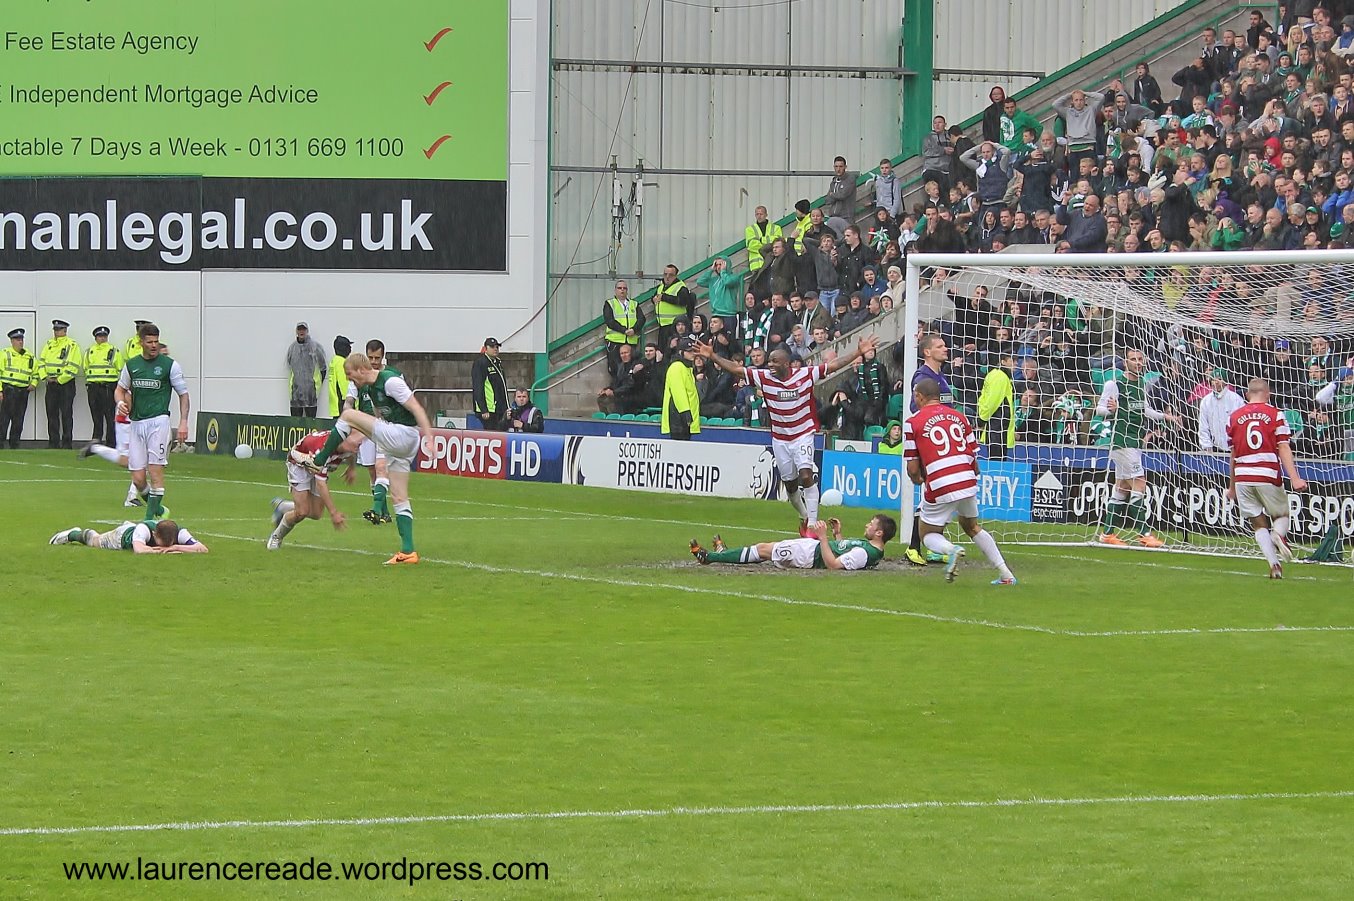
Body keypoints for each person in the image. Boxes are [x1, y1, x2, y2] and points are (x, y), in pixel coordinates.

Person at [697, 334, 880, 536]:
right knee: (791, 486)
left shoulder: (805, 374)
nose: (770, 365)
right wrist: (713, 356)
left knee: (806, 475)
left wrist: (857, 352)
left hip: (803, 434)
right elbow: (737, 370)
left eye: (774, 361)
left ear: (786, 363)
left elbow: (833, 366)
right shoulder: (764, 377)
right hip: (780, 439)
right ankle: (804, 516)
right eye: (769, 362)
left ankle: (812, 525)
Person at [304, 352, 435, 565]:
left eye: (350, 374)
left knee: (347, 416)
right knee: (399, 496)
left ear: (361, 370)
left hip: (404, 434)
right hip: (400, 442)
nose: (349, 379)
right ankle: (408, 552)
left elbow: (417, 408)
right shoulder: (369, 388)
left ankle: (319, 461)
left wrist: (430, 437)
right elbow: (378, 416)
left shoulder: (390, 381)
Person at [904, 379, 1018, 586]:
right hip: (967, 478)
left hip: (940, 482)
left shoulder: (913, 422)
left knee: (927, 534)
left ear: (919, 397)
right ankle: (1006, 574)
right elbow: (974, 457)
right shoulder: (960, 416)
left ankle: (952, 550)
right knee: (971, 526)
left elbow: (912, 469)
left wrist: (919, 479)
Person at [1226, 378, 1307, 579]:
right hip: (1267, 472)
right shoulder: (1276, 414)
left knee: (1258, 523)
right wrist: (1295, 478)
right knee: (1281, 515)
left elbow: (1233, 455)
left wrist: (1232, 487)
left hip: (1243, 476)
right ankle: (1278, 535)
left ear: (1247, 395)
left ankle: (1274, 566)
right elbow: (1284, 447)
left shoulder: (1234, 417)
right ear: (1268, 394)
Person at [1095, 348, 1176, 547]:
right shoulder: (1114, 384)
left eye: (1140, 359)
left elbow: (1144, 409)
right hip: (1121, 441)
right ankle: (1144, 533)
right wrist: (1112, 410)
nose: (1138, 363)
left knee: (1122, 487)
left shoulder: (1141, 383)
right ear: (1125, 362)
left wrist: (1164, 417)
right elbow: (1099, 409)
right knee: (1139, 482)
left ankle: (1107, 534)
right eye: (1133, 359)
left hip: (1135, 441)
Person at [116, 323, 190, 520]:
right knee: (138, 479)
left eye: (156, 341)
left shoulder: (169, 366)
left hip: (158, 422)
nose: (154, 345)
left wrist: (183, 422)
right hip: (136, 424)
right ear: (141, 342)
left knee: (155, 472)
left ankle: (148, 520)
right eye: (149, 342)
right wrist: (120, 403)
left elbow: (183, 394)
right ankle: (158, 510)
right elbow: (120, 389)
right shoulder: (132, 365)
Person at [267, 429, 364, 550]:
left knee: (316, 513)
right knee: (301, 512)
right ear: (343, 440)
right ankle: (276, 536)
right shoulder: (323, 451)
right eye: (356, 443)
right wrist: (334, 513)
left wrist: (351, 468)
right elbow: (321, 484)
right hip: (299, 464)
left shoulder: (347, 445)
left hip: (316, 465)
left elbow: (351, 453)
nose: (358, 447)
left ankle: (282, 506)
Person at [690, 514, 895, 571]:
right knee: (765, 549)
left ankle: (710, 557)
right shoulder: (869, 550)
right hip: (811, 550)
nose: (867, 525)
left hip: (809, 555)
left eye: (871, 524)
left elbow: (833, 565)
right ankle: (723, 553)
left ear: (879, 533)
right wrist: (837, 535)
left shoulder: (865, 553)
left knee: (763, 550)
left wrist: (823, 537)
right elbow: (843, 554)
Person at [349, 339, 394, 526]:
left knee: (381, 468)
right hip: (366, 429)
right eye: (371, 357)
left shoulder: (390, 376)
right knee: (372, 471)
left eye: (377, 358)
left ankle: (380, 511)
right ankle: (384, 512)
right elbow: (350, 400)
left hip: (385, 429)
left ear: (383, 357)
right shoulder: (359, 377)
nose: (374, 361)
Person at [79, 403, 145, 508]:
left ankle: (132, 497)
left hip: (134, 421)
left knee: (140, 461)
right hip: (128, 422)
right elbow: (127, 398)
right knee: (133, 461)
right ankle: (132, 497)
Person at [49, 518, 207, 554]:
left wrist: (176, 547)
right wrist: (159, 551)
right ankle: (72, 534)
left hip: (133, 532)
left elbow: (203, 549)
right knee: (93, 540)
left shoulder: (180, 532)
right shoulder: (145, 529)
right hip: (121, 538)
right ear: (154, 534)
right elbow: (139, 549)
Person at [38, 319, 81, 449]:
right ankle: (53, 443)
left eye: (59, 329)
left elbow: (73, 366)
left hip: (65, 384)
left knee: (66, 414)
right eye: (55, 329)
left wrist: (60, 379)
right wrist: (45, 377)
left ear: (65, 330)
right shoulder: (49, 344)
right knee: (51, 414)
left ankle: (67, 443)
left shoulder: (72, 345)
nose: (56, 332)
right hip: (51, 384)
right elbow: (41, 362)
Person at [82, 326, 122, 446]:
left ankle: (111, 442)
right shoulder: (89, 351)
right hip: (93, 387)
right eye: (100, 336)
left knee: (110, 416)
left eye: (104, 336)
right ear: (95, 338)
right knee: (96, 416)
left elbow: (120, 367)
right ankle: (96, 441)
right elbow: (85, 367)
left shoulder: (113, 350)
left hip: (108, 387)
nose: (102, 338)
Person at [1, 327, 38, 449]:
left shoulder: (29, 356)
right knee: (4, 419)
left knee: (19, 419)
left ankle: (14, 444)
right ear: (12, 341)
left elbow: (36, 372)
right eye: (17, 340)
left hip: (23, 391)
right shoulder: (5, 354)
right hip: (8, 390)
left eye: (21, 339)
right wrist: (0, 391)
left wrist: (34, 383)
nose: (20, 342)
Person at [977, 349, 1016, 459]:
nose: (1016, 363)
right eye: (1012, 360)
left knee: (997, 459)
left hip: (997, 426)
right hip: (997, 427)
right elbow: (992, 401)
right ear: (1003, 362)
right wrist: (982, 418)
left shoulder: (998, 375)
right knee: (997, 460)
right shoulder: (1000, 376)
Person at [602, 280, 645, 376]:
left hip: (631, 341)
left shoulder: (634, 304)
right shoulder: (610, 303)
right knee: (615, 369)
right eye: (619, 288)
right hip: (615, 342)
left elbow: (642, 319)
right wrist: (624, 330)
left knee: (632, 368)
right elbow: (609, 321)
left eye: (624, 288)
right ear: (615, 290)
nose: (622, 290)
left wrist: (634, 329)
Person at [1198, 367, 1245, 452]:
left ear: (1225, 381)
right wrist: (1206, 446)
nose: (1216, 382)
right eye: (1213, 379)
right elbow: (1203, 426)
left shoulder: (1236, 399)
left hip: (1234, 448)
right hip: (1215, 449)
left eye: (1219, 379)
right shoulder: (1206, 401)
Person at [662, 337, 700, 440]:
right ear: (681, 352)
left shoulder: (686, 368)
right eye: (689, 351)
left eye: (693, 351)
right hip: (678, 416)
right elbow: (678, 392)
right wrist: (685, 412)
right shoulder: (677, 367)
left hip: (683, 416)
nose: (693, 354)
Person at [285, 321, 326, 417]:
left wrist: (316, 387)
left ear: (307, 331)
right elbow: (289, 367)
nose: (301, 332)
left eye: (303, 329)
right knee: (295, 423)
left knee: (311, 423)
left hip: (311, 393)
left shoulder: (315, 347)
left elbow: (323, 368)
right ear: (296, 331)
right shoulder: (292, 348)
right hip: (295, 393)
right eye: (299, 329)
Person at [653, 264, 695, 352]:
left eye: (670, 275)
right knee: (663, 351)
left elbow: (683, 301)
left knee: (674, 350)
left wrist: (664, 297)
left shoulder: (681, 287)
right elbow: (655, 296)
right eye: (665, 274)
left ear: (675, 276)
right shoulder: (661, 286)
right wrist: (653, 299)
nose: (667, 277)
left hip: (675, 326)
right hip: (663, 325)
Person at [471, 336, 508, 430]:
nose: (495, 349)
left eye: (497, 347)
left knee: (501, 431)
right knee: (492, 431)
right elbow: (478, 387)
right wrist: (483, 409)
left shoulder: (497, 362)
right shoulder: (481, 363)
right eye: (492, 347)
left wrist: (506, 407)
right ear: (485, 348)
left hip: (499, 408)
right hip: (489, 409)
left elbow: (502, 387)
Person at [743, 206, 782, 272]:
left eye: (761, 214)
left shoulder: (776, 228)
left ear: (766, 215)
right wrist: (768, 245)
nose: (759, 216)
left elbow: (778, 243)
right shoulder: (749, 229)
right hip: (756, 266)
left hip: (772, 263)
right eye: (757, 214)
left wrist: (761, 240)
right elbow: (751, 246)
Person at [326, 335, 352, 418]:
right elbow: (345, 387)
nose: (350, 349)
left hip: (336, 405)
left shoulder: (334, 361)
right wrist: (350, 404)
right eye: (349, 346)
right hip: (342, 406)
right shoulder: (342, 363)